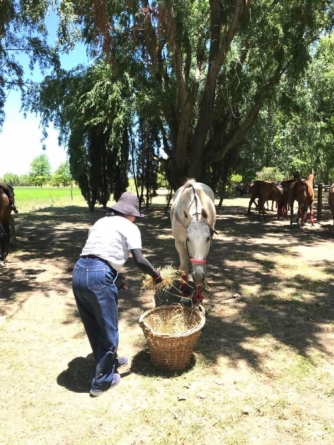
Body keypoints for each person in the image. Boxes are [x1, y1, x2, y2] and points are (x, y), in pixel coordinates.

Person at [72, 192, 163, 397]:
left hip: (79, 273)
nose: (135, 219)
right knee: (108, 328)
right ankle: (101, 382)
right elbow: (139, 260)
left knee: (93, 324)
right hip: (99, 276)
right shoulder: (130, 227)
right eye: (135, 215)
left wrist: (117, 279)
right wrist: (157, 276)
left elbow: (97, 254)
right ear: (129, 214)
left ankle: (109, 362)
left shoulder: (101, 222)